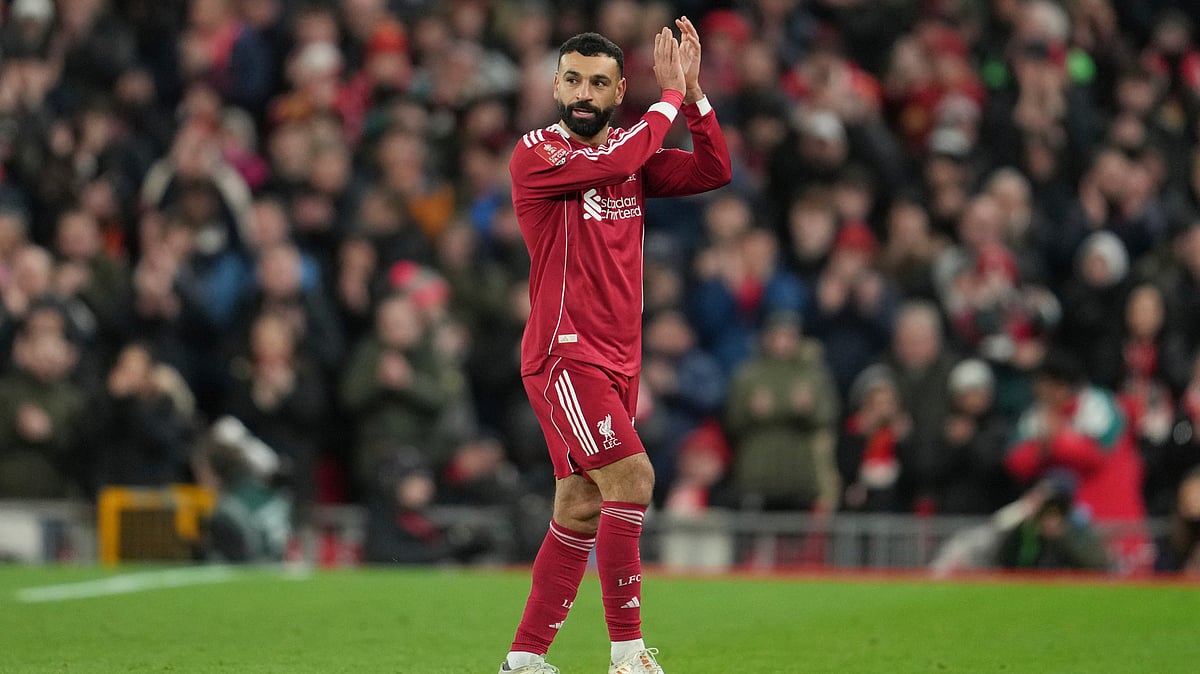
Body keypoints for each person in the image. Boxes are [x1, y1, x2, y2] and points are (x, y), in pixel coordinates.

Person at [499, 19, 730, 674]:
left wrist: (694, 97)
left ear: (616, 89)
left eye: (598, 82)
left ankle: (524, 659)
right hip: (564, 353)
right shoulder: (538, 153)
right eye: (572, 78)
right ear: (555, 84)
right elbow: (621, 159)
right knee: (635, 477)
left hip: (617, 359)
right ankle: (628, 655)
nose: (582, 92)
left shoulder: (631, 156)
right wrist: (664, 98)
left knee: (579, 504)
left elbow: (715, 168)